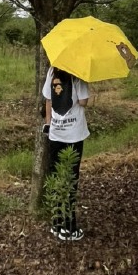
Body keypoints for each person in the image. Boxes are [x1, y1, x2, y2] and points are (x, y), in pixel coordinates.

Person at [42, 65, 90, 241]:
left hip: (56, 133)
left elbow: (48, 99)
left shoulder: (51, 71)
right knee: (70, 179)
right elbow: (84, 101)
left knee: (56, 177)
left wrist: (49, 124)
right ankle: (69, 228)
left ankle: (56, 223)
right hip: (74, 135)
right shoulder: (79, 74)